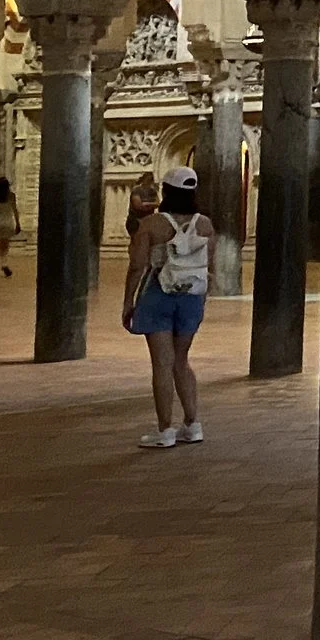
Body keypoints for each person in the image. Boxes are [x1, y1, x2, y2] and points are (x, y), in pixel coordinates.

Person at [124, 165, 213, 449]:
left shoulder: (152, 224)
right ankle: (193, 424)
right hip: (191, 298)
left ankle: (165, 430)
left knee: (162, 364)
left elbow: (138, 265)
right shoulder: (205, 225)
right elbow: (208, 267)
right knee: (181, 360)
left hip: (159, 295)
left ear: (166, 191)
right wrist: (201, 300)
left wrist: (128, 301)